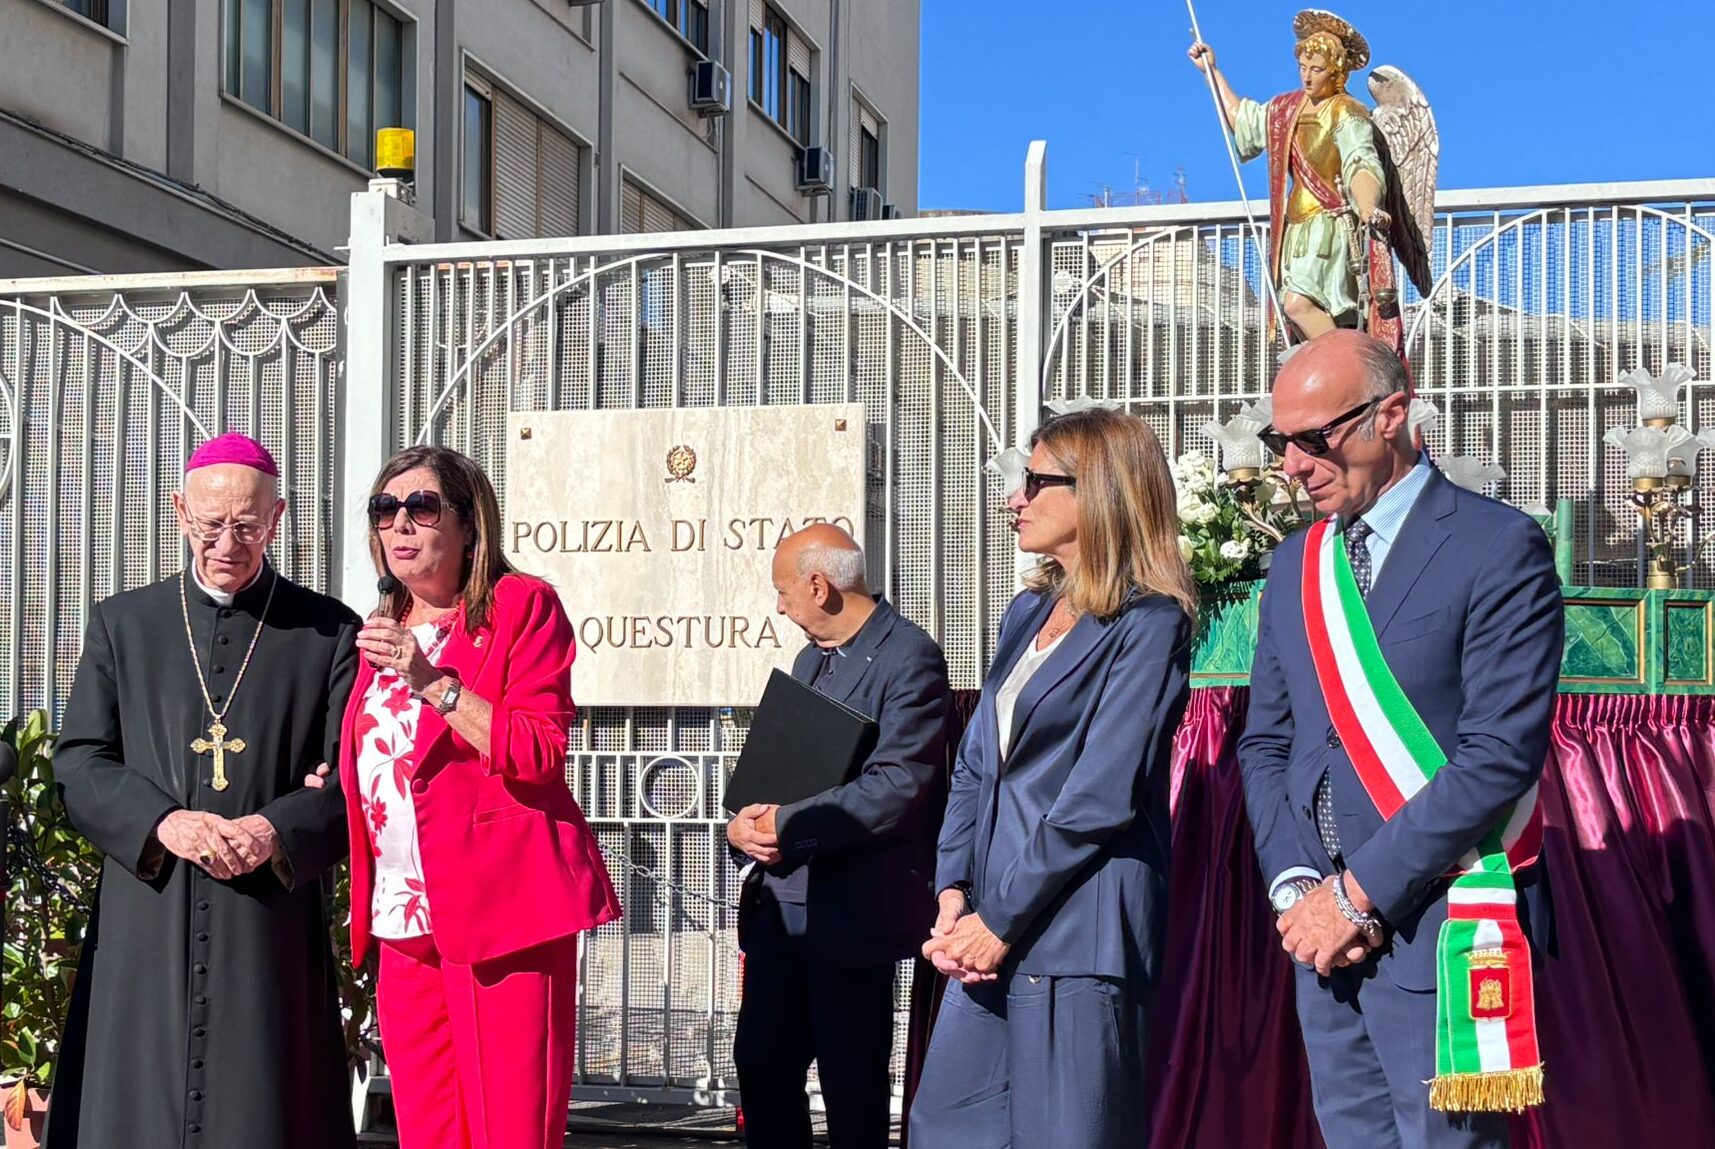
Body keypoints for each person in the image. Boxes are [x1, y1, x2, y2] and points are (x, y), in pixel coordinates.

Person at [1239, 331, 1562, 1149]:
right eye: (1282, 441)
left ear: (1390, 412)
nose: (1292, 464)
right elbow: (1266, 744)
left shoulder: (1496, 545)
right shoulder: (1293, 565)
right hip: (1320, 935)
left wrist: (1358, 895)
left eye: (1315, 439)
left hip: (1441, 927)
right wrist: (1299, 890)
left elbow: (1497, 756)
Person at [48, 433, 359, 1149]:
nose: (228, 541)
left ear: (276, 519)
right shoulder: (123, 623)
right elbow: (80, 759)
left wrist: (275, 827)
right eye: (211, 522)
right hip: (147, 911)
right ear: (179, 510)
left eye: (248, 524)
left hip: (265, 916)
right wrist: (164, 822)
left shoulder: (326, 631)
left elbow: (353, 779)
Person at [909, 407, 1197, 1149]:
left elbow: (1101, 794)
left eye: (1037, 481)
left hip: (1077, 931)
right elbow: (975, 761)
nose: (1016, 496)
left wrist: (998, 918)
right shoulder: (1025, 610)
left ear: (1098, 491)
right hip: (985, 923)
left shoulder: (1149, 621)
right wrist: (953, 891)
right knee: (944, 1127)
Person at [317, 444, 620, 1149]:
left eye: (421, 507)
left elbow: (539, 750)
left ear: (467, 522)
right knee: (428, 1129)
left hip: (501, 908)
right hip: (403, 913)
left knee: (509, 1128)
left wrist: (434, 681)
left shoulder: (521, 606)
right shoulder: (382, 623)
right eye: (384, 510)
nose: (400, 523)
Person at [728, 524, 952, 1149]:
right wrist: (742, 824)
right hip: (781, 917)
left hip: (851, 918)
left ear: (819, 585)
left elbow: (895, 788)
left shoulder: (909, 657)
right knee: (764, 1070)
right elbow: (783, 769)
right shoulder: (810, 658)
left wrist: (787, 826)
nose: (779, 606)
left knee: (851, 1093)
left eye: (783, 590)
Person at [1189, 11, 1426, 352]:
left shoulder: (1346, 111)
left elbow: (1361, 162)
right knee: (1298, 312)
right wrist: (1212, 71)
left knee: (1297, 303)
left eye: (1317, 70)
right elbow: (1244, 119)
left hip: (1330, 229)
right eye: (1303, 67)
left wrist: (1369, 205)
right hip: (1296, 229)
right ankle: (1341, 364)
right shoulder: (1288, 109)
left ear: (1337, 72)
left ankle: (1346, 363)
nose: (1307, 77)